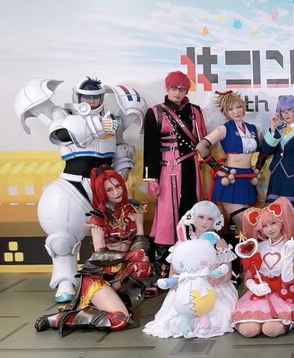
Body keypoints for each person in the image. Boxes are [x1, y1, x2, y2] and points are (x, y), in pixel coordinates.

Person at [15, 77, 146, 302]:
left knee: (117, 237)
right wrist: (95, 127)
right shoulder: (64, 115)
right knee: (61, 239)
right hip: (73, 184)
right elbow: (61, 134)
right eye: (86, 97)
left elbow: (120, 147)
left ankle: (114, 279)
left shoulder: (113, 120)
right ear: (77, 97)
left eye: (96, 98)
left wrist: (123, 167)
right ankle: (65, 281)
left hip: (106, 187)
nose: (91, 102)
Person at [35, 166, 151, 335]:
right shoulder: (98, 217)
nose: (116, 192)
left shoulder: (135, 209)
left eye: (118, 186)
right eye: (109, 190)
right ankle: (59, 319)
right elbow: (99, 254)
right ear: (101, 193)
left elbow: (140, 239)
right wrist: (128, 256)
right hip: (100, 277)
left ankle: (114, 300)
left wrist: (140, 255)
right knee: (120, 320)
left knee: (144, 268)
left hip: (122, 274)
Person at [143, 71, 207, 284]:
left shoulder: (195, 111)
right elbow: (150, 148)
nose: (178, 93)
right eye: (174, 88)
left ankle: (194, 259)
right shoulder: (155, 112)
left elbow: (202, 141)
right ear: (167, 89)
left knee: (191, 208)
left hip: (191, 166)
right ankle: (163, 266)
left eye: (182, 89)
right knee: (167, 216)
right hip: (167, 169)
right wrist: (152, 178)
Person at [143, 201, 238, 338]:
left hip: (212, 284)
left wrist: (217, 281)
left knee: (217, 312)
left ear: (215, 221)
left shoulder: (219, 242)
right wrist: (176, 283)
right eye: (201, 217)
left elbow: (227, 272)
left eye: (209, 218)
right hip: (186, 285)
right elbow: (174, 271)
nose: (204, 222)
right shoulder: (183, 242)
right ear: (193, 217)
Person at [232, 197, 294, 337]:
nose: (269, 229)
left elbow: (288, 279)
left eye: (273, 223)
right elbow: (250, 275)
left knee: (270, 330)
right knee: (248, 331)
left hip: (284, 294)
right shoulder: (258, 247)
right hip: (259, 295)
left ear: (281, 223)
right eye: (264, 226)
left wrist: (288, 257)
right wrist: (254, 287)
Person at [196, 91, 260, 231]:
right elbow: (201, 147)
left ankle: (239, 243)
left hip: (247, 180)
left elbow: (265, 150)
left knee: (245, 227)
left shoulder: (253, 129)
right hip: (231, 179)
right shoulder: (224, 129)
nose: (236, 111)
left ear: (243, 107)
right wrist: (217, 168)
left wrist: (259, 166)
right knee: (246, 225)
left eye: (238, 107)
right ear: (225, 112)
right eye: (230, 109)